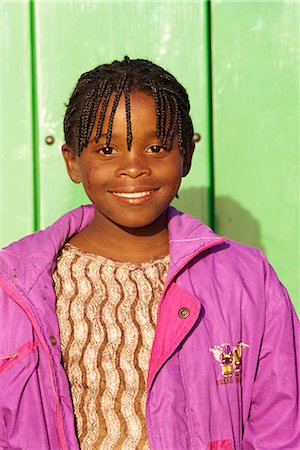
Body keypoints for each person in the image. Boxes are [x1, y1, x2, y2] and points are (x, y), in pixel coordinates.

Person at [0, 57, 299, 450]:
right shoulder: (16, 286)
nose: (134, 167)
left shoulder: (247, 280)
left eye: (156, 147)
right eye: (107, 149)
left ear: (186, 157)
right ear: (73, 162)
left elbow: (281, 427)